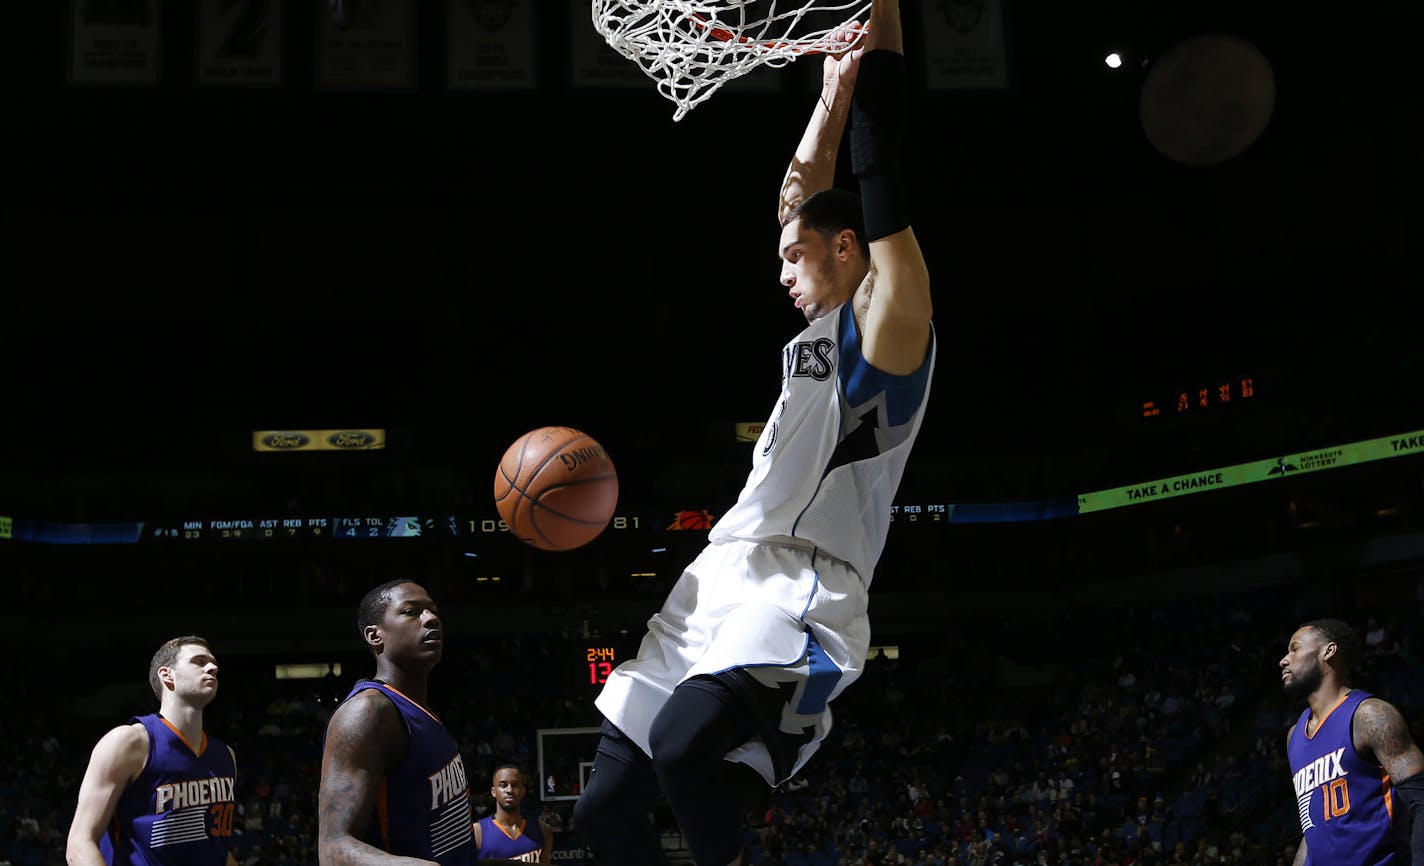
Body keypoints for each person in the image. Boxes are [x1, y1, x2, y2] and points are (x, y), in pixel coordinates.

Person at [573, 2, 935, 864]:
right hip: (723, 572)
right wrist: (829, 92)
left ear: (848, 248)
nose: (780, 272)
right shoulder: (815, 324)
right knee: (602, 816)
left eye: (794, 257)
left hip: (800, 584)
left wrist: (879, 24)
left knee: (684, 745)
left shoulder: (890, 324)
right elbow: (796, 192)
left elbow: (878, 164)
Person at [318, 579, 487, 866]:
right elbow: (333, 849)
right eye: (412, 612)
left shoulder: (420, 711)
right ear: (375, 636)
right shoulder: (367, 712)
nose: (432, 618)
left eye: (433, 611)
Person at [66, 635, 238, 866]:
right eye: (199, 661)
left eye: (214, 663)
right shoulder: (128, 742)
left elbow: (213, 848)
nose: (212, 667)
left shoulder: (226, 756)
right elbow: (79, 846)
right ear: (167, 675)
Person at [1279, 618, 1424, 865]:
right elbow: (1312, 828)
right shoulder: (1294, 736)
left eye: (1295, 648)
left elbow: (1421, 801)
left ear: (1328, 651)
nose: (1283, 659)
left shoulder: (1369, 716)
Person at [473, 764, 552, 863]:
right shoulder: (477, 832)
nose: (509, 790)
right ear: (493, 792)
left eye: (515, 785)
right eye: (503, 785)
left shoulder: (543, 831)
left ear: (523, 791)